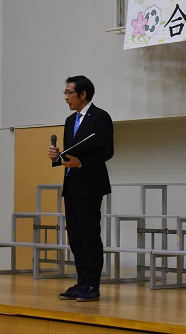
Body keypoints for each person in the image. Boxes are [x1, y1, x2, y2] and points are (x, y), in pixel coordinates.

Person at [47, 75, 114, 302]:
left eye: (69, 92)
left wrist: (81, 163)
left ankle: (92, 285)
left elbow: (107, 151)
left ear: (82, 94)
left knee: (89, 236)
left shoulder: (100, 116)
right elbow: (71, 154)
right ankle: (81, 282)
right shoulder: (69, 120)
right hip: (72, 185)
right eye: (64, 93)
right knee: (75, 238)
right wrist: (57, 157)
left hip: (90, 185)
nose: (65, 97)